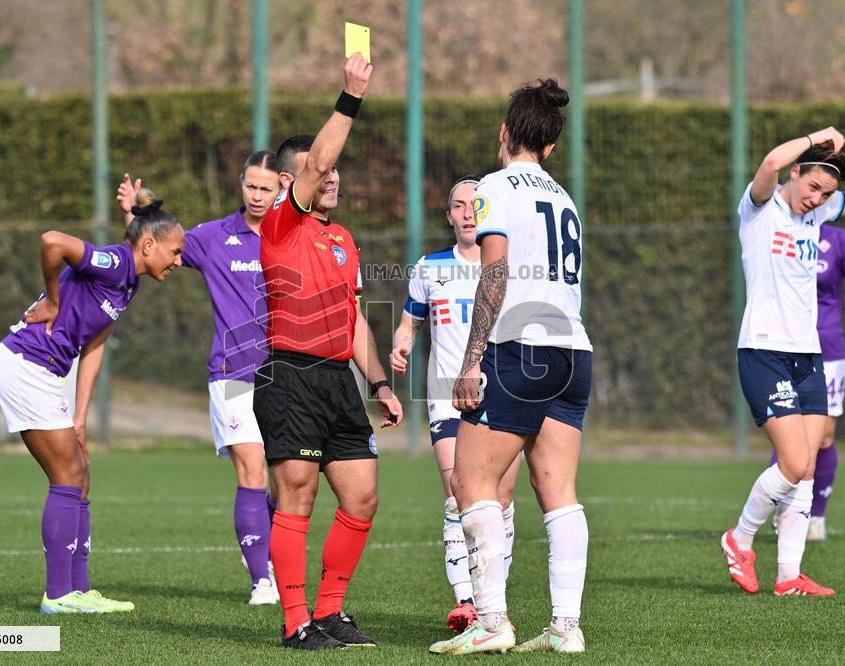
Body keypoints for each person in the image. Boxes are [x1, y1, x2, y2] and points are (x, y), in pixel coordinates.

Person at [429, 79, 592, 655]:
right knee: (560, 493)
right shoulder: (564, 198)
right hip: (573, 351)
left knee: (471, 481)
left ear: (505, 133)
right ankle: (566, 628)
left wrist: (472, 360)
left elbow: (493, 274)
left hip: (519, 346)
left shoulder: (494, 187)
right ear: (550, 147)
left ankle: (492, 619)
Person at [253, 53, 403, 650]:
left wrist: (380, 385)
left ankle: (332, 612)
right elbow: (318, 158)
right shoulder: (279, 226)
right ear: (292, 184)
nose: (333, 177)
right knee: (298, 496)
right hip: (289, 375)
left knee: (362, 496)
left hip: (340, 380)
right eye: (323, 173)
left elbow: (354, 319)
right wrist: (350, 97)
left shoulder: (343, 239)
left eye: (338, 173)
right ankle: (296, 625)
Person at [0, 189, 184, 614]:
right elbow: (51, 240)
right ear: (149, 246)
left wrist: (80, 416)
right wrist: (53, 298)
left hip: (41, 370)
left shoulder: (128, 282)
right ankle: (58, 596)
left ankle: (78, 590)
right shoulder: (115, 264)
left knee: (80, 472)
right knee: (67, 473)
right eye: (176, 251)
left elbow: (94, 347)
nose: (179, 261)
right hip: (25, 363)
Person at [721, 127, 845, 597]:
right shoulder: (759, 208)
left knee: (807, 466)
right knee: (792, 461)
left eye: (826, 193)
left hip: (808, 354)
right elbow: (769, 164)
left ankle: (788, 575)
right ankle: (740, 538)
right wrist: (818, 135)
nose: (817, 199)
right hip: (764, 350)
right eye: (812, 187)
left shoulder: (823, 212)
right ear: (797, 174)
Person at [116, 152, 282, 605]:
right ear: (240, 183)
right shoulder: (212, 237)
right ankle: (261, 581)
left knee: (286, 482)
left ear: (282, 189)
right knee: (251, 470)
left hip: (287, 375)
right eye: (250, 185)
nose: (257, 195)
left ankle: (264, 552)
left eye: (266, 188)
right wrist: (135, 212)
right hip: (232, 373)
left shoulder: (293, 237)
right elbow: (158, 246)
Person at [389, 175, 521, 634]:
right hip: (447, 400)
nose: (467, 213)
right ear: (447, 216)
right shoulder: (430, 268)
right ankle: (466, 600)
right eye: (458, 206)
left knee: (502, 502)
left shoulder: (507, 266)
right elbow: (409, 324)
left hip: (503, 395)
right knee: (458, 495)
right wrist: (401, 345)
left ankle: (494, 603)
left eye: (474, 205)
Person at [770, 224, 845, 541]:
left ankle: (816, 515)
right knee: (789, 432)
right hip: (784, 345)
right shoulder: (777, 229)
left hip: (828, 349)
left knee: (824, 436)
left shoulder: (839, 239)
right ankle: (785, 510)